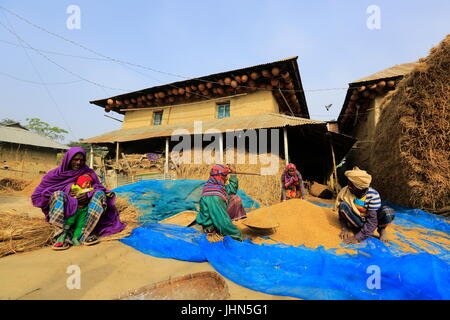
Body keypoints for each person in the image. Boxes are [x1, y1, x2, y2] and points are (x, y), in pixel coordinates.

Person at [31, 147, 125, 250]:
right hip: (64, 214)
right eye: (75, 159)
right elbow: (37, 196)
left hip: (84, 212)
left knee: (99, 194)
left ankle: (85, 234)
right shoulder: (53, 175)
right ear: (68, 159)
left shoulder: (88, 173)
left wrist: (88, 195)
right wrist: (68, 191)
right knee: (58, 194)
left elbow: (98, 187)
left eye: (82, 160)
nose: (78, 162)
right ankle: (61, 236)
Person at [335, 167, 395, 244]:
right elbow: (342, 213)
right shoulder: (346, 191)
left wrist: (357, 238)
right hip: (357, 221)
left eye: (352, 185)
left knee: (388, 211)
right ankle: (360, 229)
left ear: (360, 188)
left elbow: (372, 221)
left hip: (370, 222)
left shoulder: (373, 195)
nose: (348, 186)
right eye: (348, 183)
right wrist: (345, 228)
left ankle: (382, 230)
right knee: (343, 205)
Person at [195, 164, 244, 241]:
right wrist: (237, 235)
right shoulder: (214, 196)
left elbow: (232, 190)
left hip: (217, 218)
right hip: (212, 227)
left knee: (235, 199)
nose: (227, 178)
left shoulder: (215, 186)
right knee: (224, 223)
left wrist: (233, 174)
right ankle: (219, 231)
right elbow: (222, 222)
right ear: (220, 177)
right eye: (225, 176)